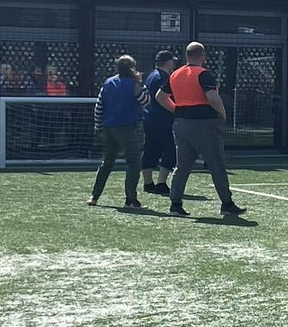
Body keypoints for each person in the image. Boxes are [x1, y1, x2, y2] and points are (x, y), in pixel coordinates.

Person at [156, 41, 246, 217]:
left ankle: (175, 204)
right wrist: (222, 114)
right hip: (204, 124)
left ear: (186, 56)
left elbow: (159, 96)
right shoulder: (204, 74)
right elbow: (212, 97)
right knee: (216, 164)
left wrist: (177, 108)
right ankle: (227, 204)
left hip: (181, 124)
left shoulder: (175, 74)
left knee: (182, 165)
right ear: (202, 56)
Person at [88, 55, 150, 209]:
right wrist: (140, 86)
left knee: (107, 162)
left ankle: (94, 196)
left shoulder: (108, 83)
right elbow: (146, 101)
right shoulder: (134, 84)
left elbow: (99, 106)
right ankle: (131, 199)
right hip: (126, 127)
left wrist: (98, 126)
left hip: (108, 128)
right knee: (134, 163)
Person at [141, 51, 178, 196]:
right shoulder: (163, 77)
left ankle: (148, 183)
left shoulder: (151, 75)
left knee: (150, 149)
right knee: (170, 150)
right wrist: (176, 110)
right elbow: (163, 98)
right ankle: (161, 183)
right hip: (163, 119)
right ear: (168, 62)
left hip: (149, 118)